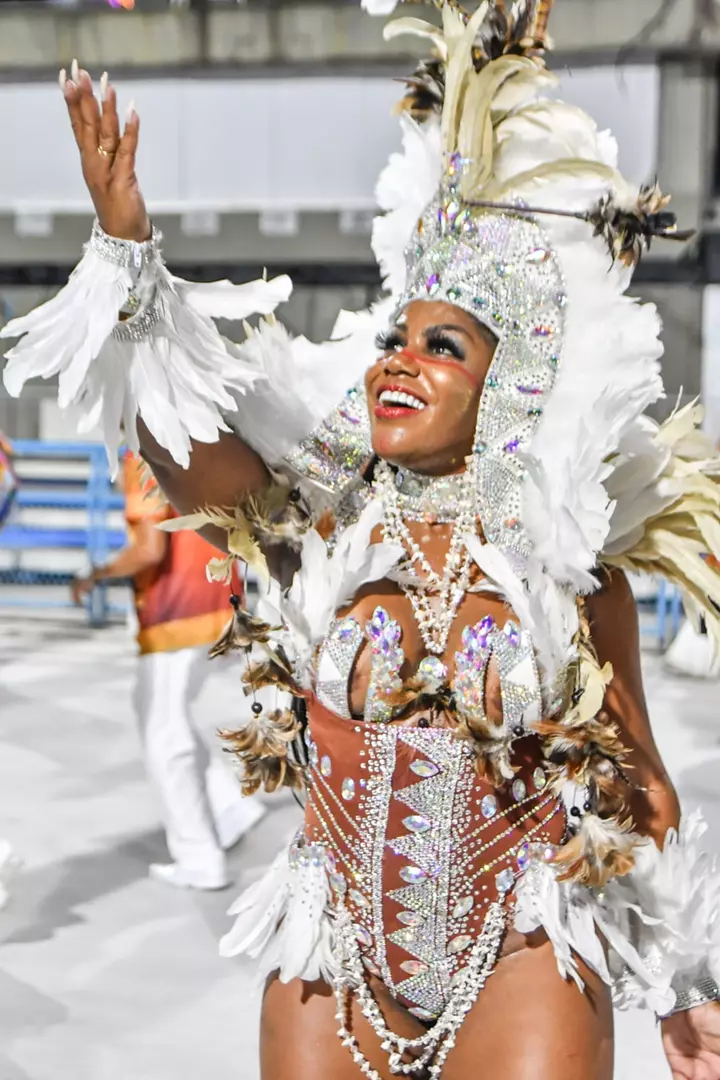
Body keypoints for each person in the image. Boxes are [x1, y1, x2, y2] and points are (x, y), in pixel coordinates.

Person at [3, 2, 720, 1076]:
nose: (399, 361)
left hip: (519, 945)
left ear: (507, 393)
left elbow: (641, 783)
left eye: (444, 348)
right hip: (332, 949)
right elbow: (179, 443)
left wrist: (680, 980)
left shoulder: (571, 575)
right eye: (394, 340)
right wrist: (130, 258)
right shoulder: (319, 527)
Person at [72, 452, 264, 890]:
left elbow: (149, 547)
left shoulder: (141, 454)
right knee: (162, 717)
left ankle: (200, 857)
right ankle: (228, 807)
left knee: (165, 736)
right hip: (215, 601)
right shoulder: (196, 440)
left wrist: (95, 573)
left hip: (175, 611)